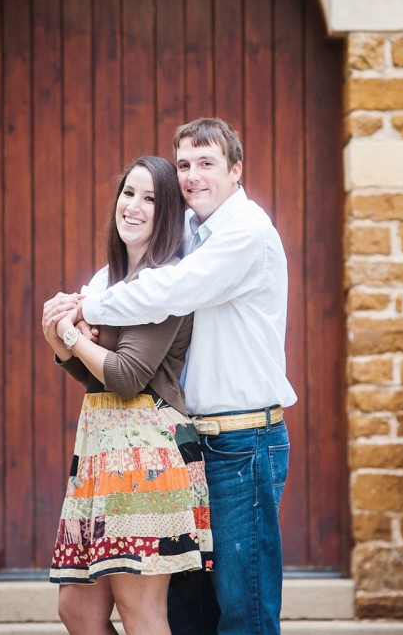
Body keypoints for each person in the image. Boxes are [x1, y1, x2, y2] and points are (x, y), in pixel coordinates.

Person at [45, 118, 295, 635]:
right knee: (191, 616)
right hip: (191, 443)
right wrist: (78, 304)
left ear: (236, 170)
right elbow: (131, 262)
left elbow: (166, 290)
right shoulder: (190, 230)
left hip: (243, 440)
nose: (193, 176)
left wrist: (82, 310)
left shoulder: (244, 232)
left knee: (244, 608)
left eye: (207, 164)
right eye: (184, 165)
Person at [42, 156, 212, 635]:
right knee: (77, 609)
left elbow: (126, 376)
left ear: (168, 215)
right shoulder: (107, 282)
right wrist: (60, 340)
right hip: (100, 450)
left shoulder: (165, 280)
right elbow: (98, 382)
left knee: (141, 613)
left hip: (146, 455)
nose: (133, 206)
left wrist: (72, 336)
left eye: (150, 198)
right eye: (128, 193)